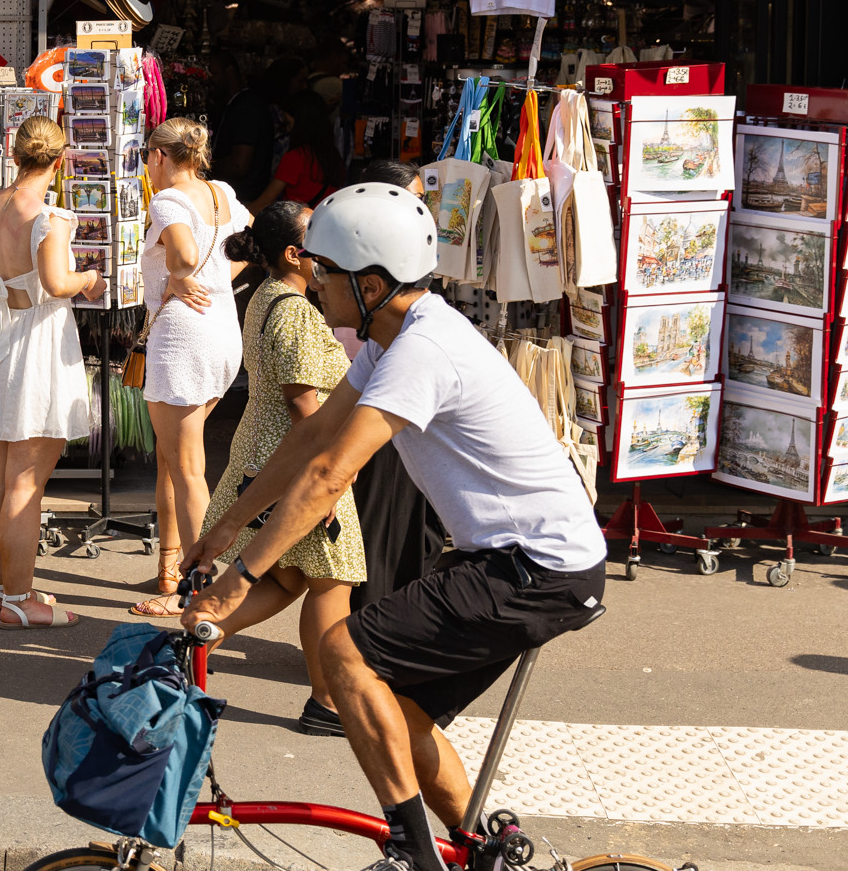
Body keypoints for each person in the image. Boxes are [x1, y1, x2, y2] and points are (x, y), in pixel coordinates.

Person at [183, 183, 607, 871]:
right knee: (399, 712)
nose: (315, 282)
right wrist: (224, 526)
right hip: (510, 559)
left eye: (326, 271)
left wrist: (240, 580)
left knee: (343, 652)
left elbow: (329, 477)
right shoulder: (395, 334)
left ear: (371, 282)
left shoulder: (424, 349)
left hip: (537, 565)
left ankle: (414, 850)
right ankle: (479, 851)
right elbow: (313, 437)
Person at [203, 202, 365, 735]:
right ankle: (327, 702)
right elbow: (304, 407)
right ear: (295, 254)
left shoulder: (270, 296)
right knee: (330, 581)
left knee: (288, 575)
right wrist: (331, 469)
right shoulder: (291, 309)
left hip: (273, 454)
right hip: (298, 461)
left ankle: (195, 636)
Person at [0, 116, 105, 629]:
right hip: (38, 341)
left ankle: (1, 589)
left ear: (15, 151)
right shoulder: (51, 217)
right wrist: (89, 277)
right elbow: (56, 281)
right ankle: (19, 602)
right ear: (60, 160)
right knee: (27, 482)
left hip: (1, 335)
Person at [130, 118, 250, 618]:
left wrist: (177, 277)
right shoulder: (220, 192)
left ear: (160, 156)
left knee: (187, 469)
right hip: (221, 328)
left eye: (147, 159)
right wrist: (216, 278)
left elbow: (182, 254)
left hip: (183, 336)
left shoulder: (167, 200)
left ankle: (197, 591)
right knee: (176, 459)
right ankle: (170, 563)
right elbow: (251, 246)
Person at [343, 161, 447, 610]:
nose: (423, 209)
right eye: (415, 199)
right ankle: (373, 628)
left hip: (393, 387)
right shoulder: (363, 259)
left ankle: (389, 622)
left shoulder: (405, 255)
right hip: (377, 390)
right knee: (381, 516)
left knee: (405, 519)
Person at [214, 56, 306, 205]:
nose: (207, 78)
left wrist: (205, 166)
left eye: (213, 73)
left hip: (244, 198)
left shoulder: (246, 109)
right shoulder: (241, 105)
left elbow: (239, 165)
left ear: (229, 71)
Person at [250, 93, 344, 212]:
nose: (287, 129)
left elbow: (263, 202)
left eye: (288, 123)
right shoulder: (334, 156)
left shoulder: (296, 157)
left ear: (301, 123)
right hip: (324, 223)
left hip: (300, 226)